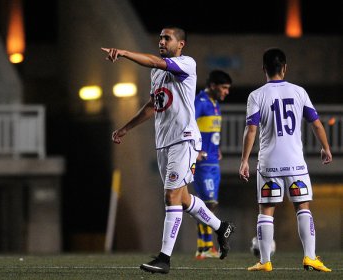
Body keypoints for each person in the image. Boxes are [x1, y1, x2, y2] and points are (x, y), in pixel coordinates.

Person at [102, 26, 235, 274]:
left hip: (184, 140)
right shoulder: (157, 72)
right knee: (183, 199)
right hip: (164, 142)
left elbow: (154, 61)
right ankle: (221, 227)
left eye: (167, 38)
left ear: (180, 44)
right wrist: (125, 128)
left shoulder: (187, 63)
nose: (161, 41)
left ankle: (164, 259)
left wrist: (123, 53)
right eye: (160, 37)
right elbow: (154, 105)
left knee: (170, 197)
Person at [239, 48, 332, 272]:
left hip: (269, 164)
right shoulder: (299, 92)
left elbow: (251, 130)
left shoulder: (257, 95)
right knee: (303, 208)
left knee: (266, 211)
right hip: (296, 164)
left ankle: (264, 261)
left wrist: (244, 160)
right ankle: (310, 257)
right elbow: (316, 123)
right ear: (285, 68)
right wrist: (325, 148)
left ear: (264, 69)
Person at [193, 70, 232, 259]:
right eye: (224, 88)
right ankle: (205, 247)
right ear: (214, 86)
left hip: (213, 162)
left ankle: (204, 248)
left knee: (211, 205)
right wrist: (196, 150)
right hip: (202, 164)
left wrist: (217, 147)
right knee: (208, 204)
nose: (226, 92)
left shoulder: (215, 104)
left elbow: (210, 131)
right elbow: (188, 125)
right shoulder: (200, 102)